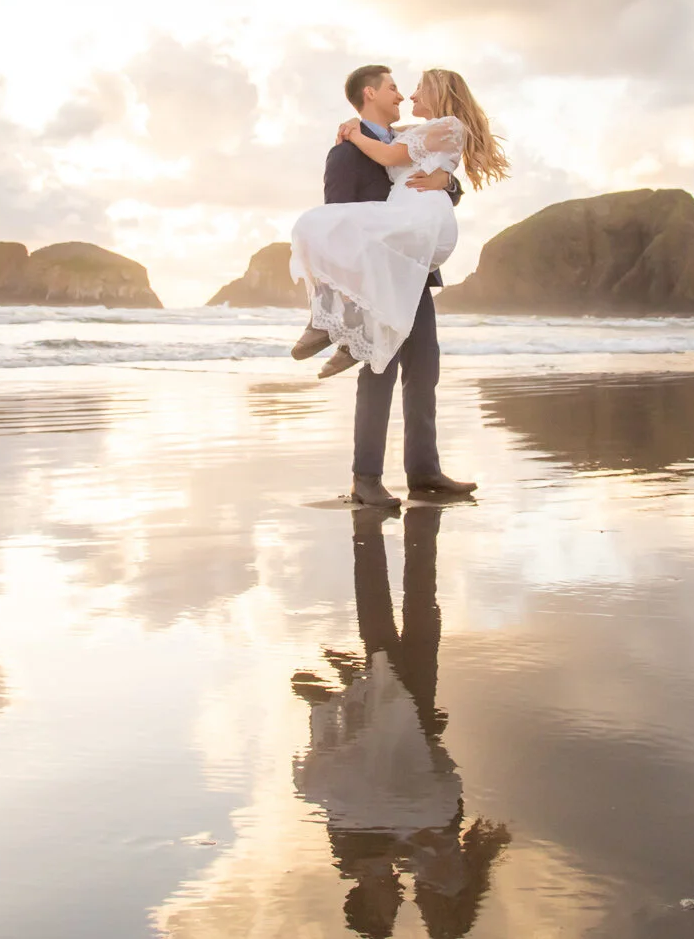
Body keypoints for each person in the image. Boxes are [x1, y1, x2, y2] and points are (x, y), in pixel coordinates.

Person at [290, 66, 505, 508]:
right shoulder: (346, 153)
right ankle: (365, 478)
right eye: (393, 88)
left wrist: (450, 181)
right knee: (379, 374)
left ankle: (424, 472)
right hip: (377, 281)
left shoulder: (405, 137)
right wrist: (353, 295)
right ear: (371, 93)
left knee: (424, 372)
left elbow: (435, 175)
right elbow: (341, 226)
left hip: (417, 276)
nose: (403, 95)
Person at [292, 505, 511, 938]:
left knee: (401, 650)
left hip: (402, 752)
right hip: (415, 752)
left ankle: (352, 684)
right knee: (403, 650)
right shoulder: (400, 863)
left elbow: (355, 794)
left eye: (388, 914)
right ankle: (350, 682)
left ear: (372, 906)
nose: (399, 906)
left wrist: (405, 848)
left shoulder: (355, 855)